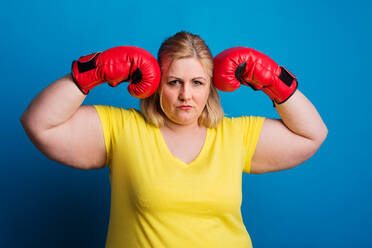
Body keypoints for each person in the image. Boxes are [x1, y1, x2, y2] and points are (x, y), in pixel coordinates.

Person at [20, 31, 328, 248]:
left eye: (197, 82)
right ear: (155, 83)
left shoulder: (235, 135)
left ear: (211, 87)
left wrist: (274, 79)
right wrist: (94, 71)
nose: (186, 95)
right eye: (174, 82)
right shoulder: (123, 129)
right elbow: (39, 123)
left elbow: (313, 134)